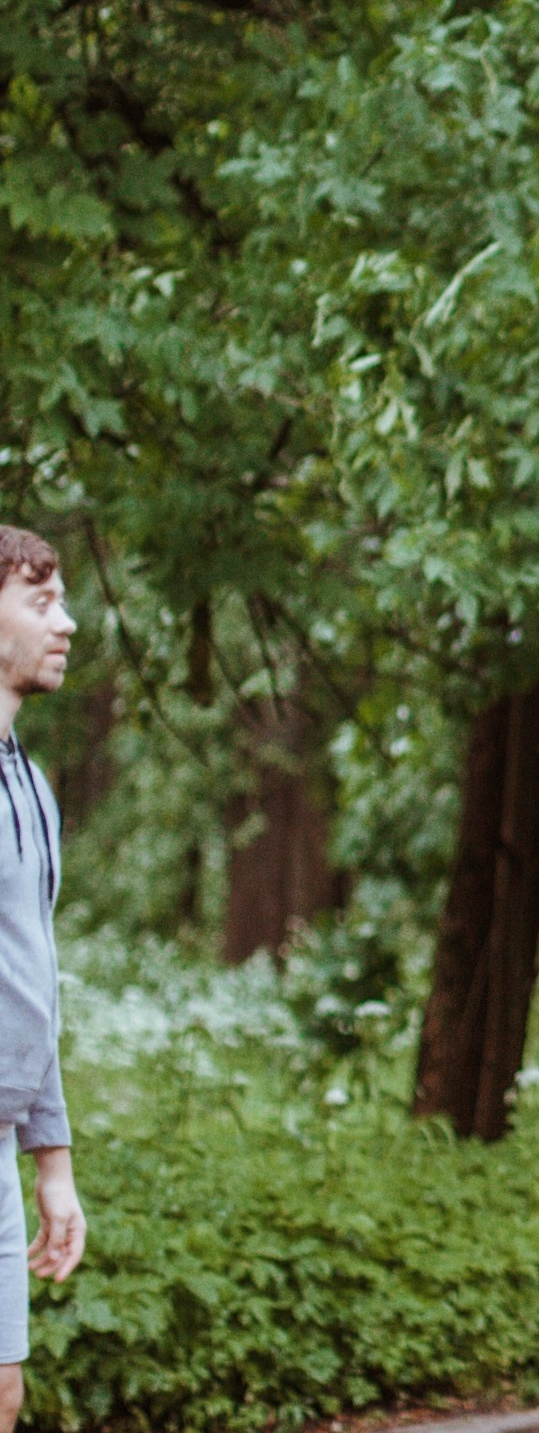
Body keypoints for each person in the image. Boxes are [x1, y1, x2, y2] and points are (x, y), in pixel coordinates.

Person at [0, 528, 87, 1433]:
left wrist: (51, 1164)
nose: (67, 623)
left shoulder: (30, 784)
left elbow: (34, 981)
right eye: (41, 602)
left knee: (3, 1393)